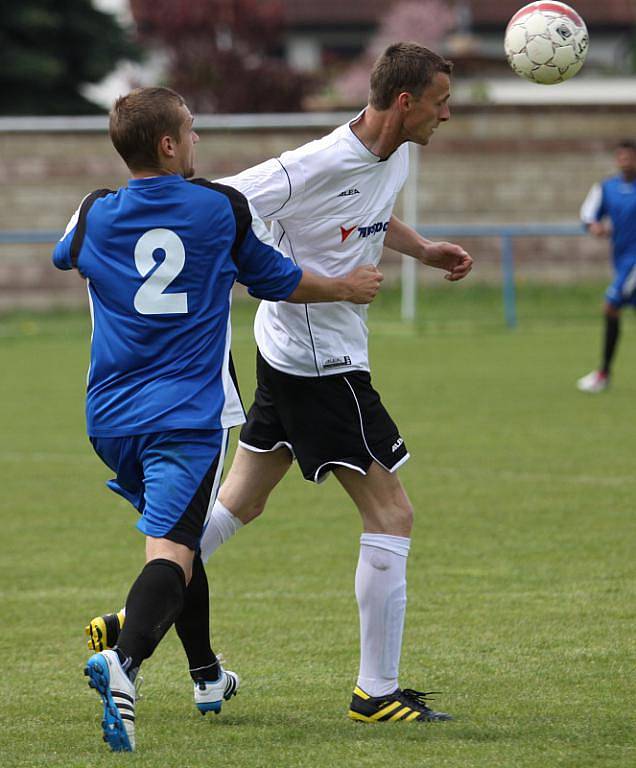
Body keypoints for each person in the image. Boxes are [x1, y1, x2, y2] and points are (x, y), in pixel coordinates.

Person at [86, 42, 473, 724]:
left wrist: (423, 249)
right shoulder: (314, 163)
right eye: (440, 103)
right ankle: (374, 693)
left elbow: (365, 216)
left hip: (285, 352)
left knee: (241, 501)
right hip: (320, 361)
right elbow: (219, 198)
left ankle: (137, 615)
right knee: (392, 515)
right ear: (405, 102)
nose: (448, 115)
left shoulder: (399, 151)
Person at [53, 86, 382, 752]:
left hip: (108, 417)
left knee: (183, 539)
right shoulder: (219, 207)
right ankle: (125, 664)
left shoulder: (93, 212)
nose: (199, 142)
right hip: (186, 415)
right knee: (173, 552)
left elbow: (66, 256)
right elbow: (278, 280)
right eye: (192, 132)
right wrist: (345, 286)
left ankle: (206, 675)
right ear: (169, 145)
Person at [577, 140, 636, 393]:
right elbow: (588, 215)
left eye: (630, 157)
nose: (625, 161)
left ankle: (603, 374)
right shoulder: (607, 188)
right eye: (621, 157)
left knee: (611, 306)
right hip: (621, 259)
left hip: (634, 263)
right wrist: (595, 227)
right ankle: (604, 373)